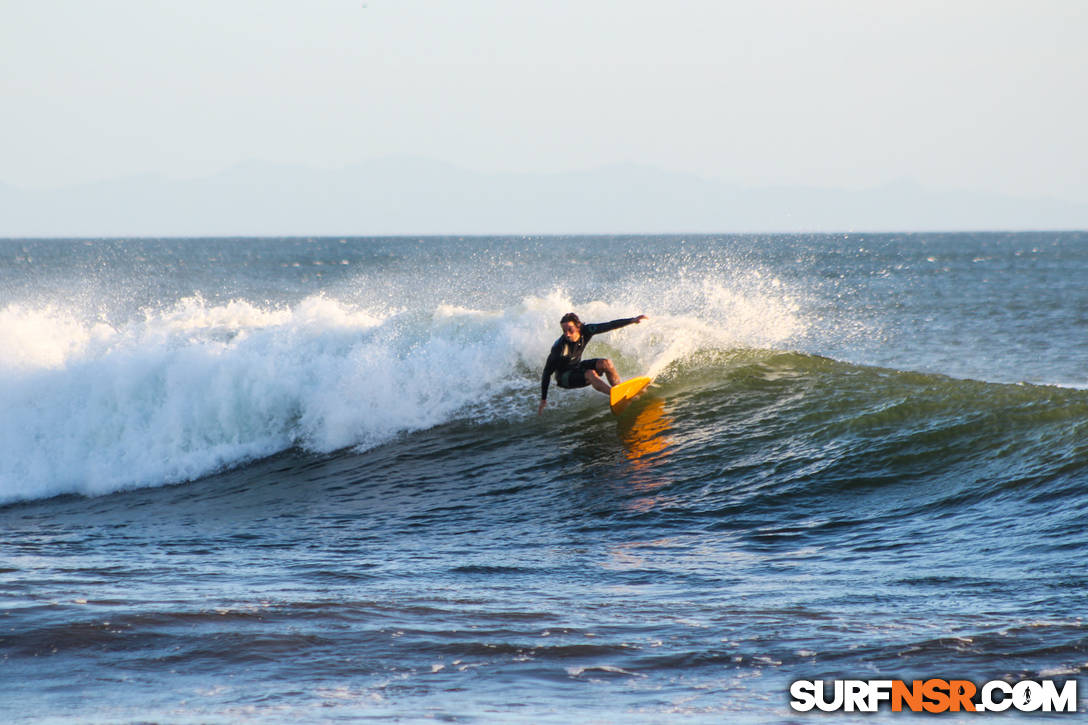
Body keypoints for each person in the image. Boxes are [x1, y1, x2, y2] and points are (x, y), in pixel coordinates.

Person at [538, 312, 648, 415]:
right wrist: (543, 399)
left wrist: (632, 320)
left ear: (578, 326)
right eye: (564, 330)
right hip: (564, 377)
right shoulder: (559, 348)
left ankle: (619, 390)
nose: (567, 334)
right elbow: (547, 372)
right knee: (590, 373)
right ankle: (616, 397)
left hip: (577, 367)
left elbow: (609, 325)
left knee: (606, 363)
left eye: (570, 330)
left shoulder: (587, 330)